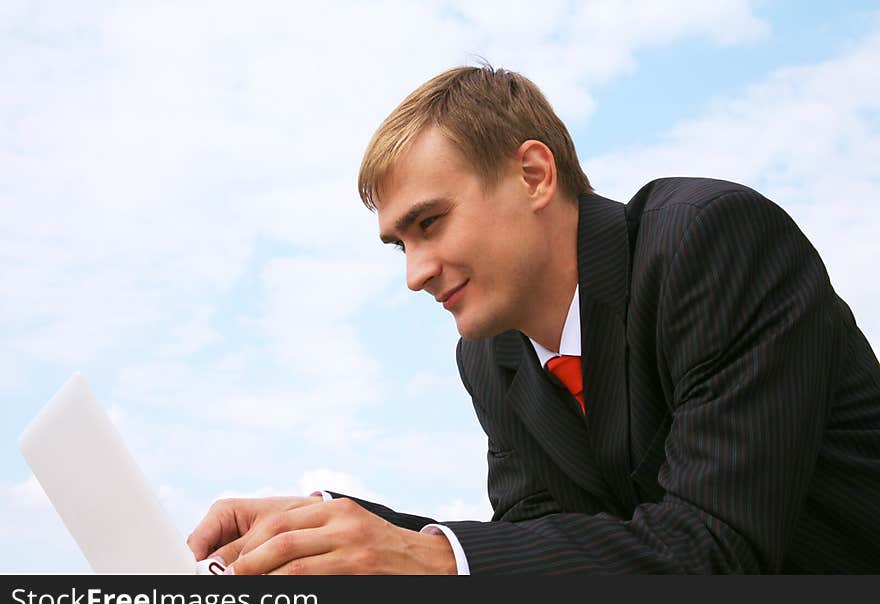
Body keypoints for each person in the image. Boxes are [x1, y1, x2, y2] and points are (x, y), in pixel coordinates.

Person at [188, 65, 880, 574]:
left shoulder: (709, 244)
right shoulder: (492, 358)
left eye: (430, 222)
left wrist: (421, 557)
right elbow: (544, 544)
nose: (415, 272)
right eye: (401, 244)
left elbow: (714, 549)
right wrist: (331, 531)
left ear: (534, 175)